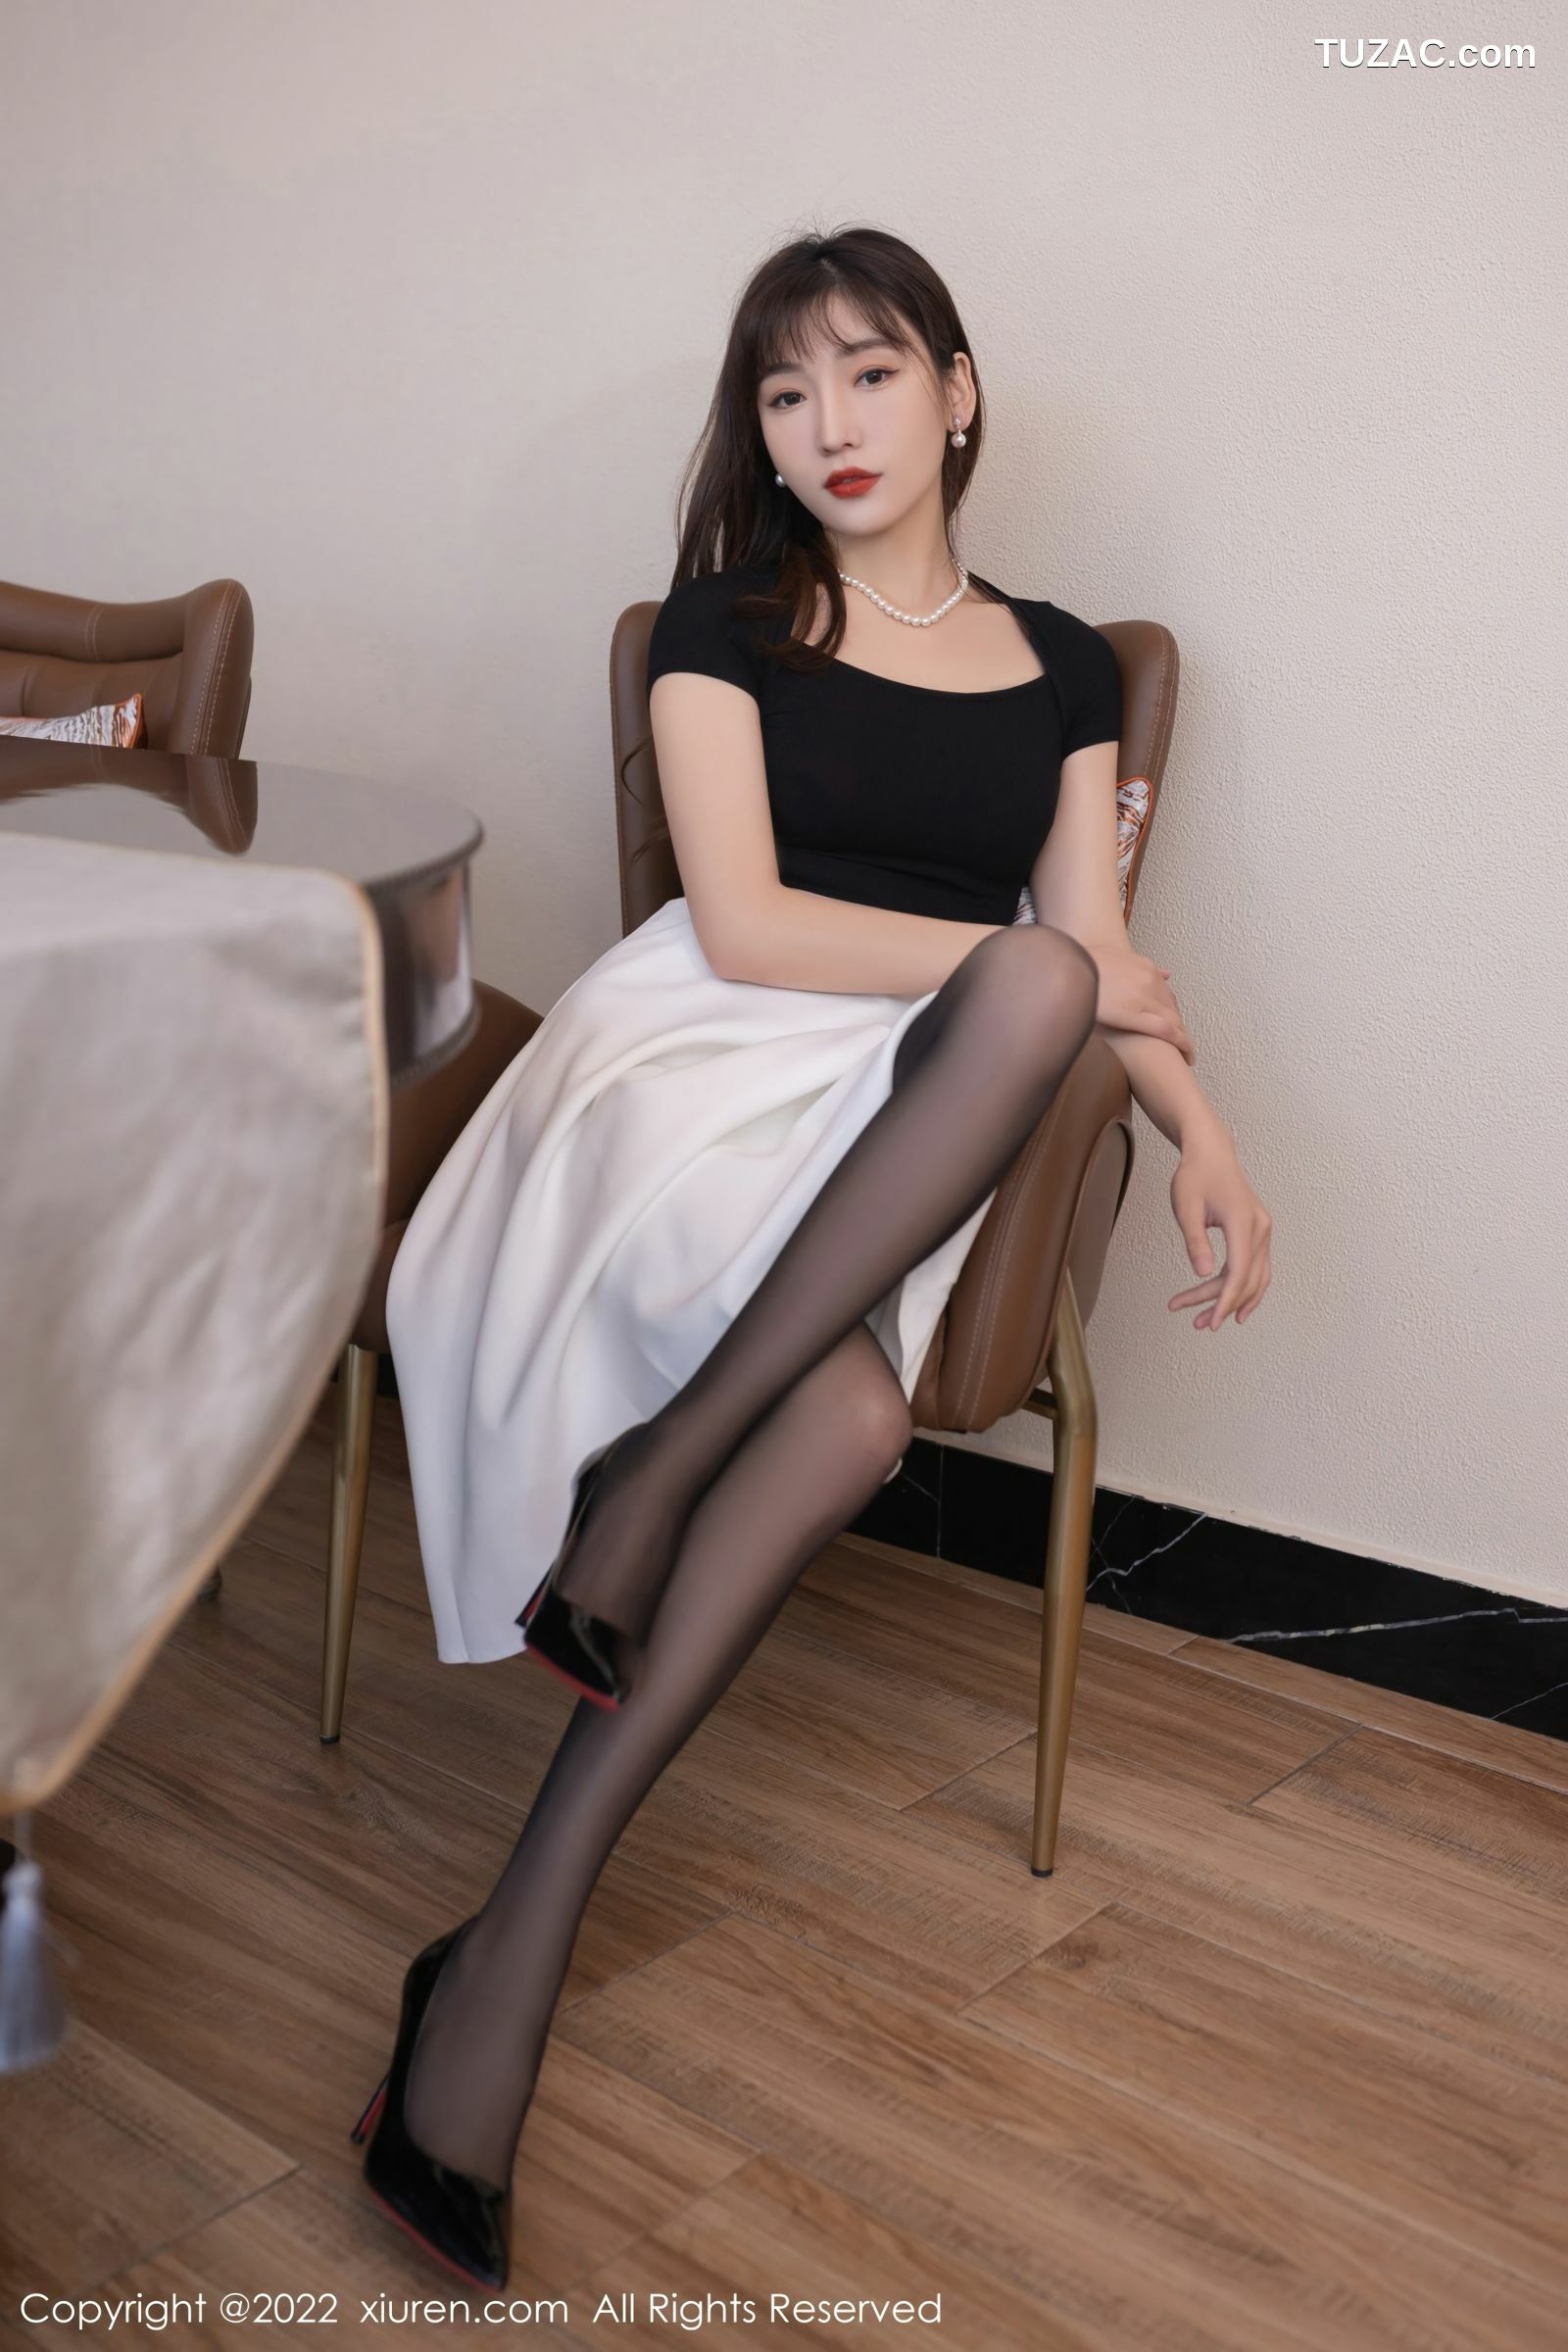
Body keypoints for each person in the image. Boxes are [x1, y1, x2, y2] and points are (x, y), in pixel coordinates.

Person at [363, 224, 1273, 2285]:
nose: (827, 423)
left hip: (902, 1106)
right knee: (1020, 1000)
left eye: (867, 372)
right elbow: (750, 922)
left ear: (957, 392)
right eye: (784, 392)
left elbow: (1091, 950)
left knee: (867, 1399)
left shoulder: (1065, 668)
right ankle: (653, 1489)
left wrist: (1203, 1132)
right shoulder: (725, 619)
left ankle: (501, 1951)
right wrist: (1030, 972)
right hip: (698, 1054)